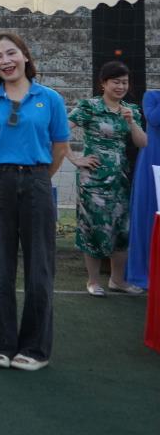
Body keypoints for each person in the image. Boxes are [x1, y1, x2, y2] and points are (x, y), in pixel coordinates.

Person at [0, 32, 69, 371]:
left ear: (24, 56)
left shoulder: (48, 98)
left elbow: (60, 147)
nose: (5, 61)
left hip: (36, 180)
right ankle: (3, 345)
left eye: (11, 53)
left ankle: (36, 349)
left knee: (39, 268)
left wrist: (37, 179)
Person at [68, 61, 148, 296]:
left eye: (124, 82)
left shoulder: (130, 110)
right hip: (92, 180)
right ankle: (93, 281)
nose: (121, 86)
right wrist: (74, 158)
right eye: (116, 82)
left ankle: (118, 280)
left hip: (120, 178)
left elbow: (143, 143)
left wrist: (131, 122)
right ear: (103, 83)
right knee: (92, 227)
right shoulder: (89, 107)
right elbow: (59, 130)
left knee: (121, 229)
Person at [126, 89, 160, 288]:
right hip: (153, 163)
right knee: (149, 216)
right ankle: (144, 273)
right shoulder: (151, 96)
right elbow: (155, 120)